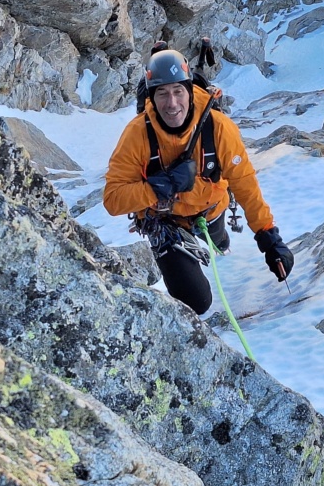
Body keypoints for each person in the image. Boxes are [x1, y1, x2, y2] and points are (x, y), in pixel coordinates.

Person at [104, 48, 294, 314]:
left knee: (219, 240)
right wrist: (162, 185)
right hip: (165, 222)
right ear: (152, 97)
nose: (172, 103)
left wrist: (270, 238)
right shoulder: (137, 135)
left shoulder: (217, 128)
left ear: (190, 91)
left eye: (178, 91)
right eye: (162, 93)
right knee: (196, 302)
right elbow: (113, 200)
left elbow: (245, 184)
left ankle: (219, 241)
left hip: (211, 207)